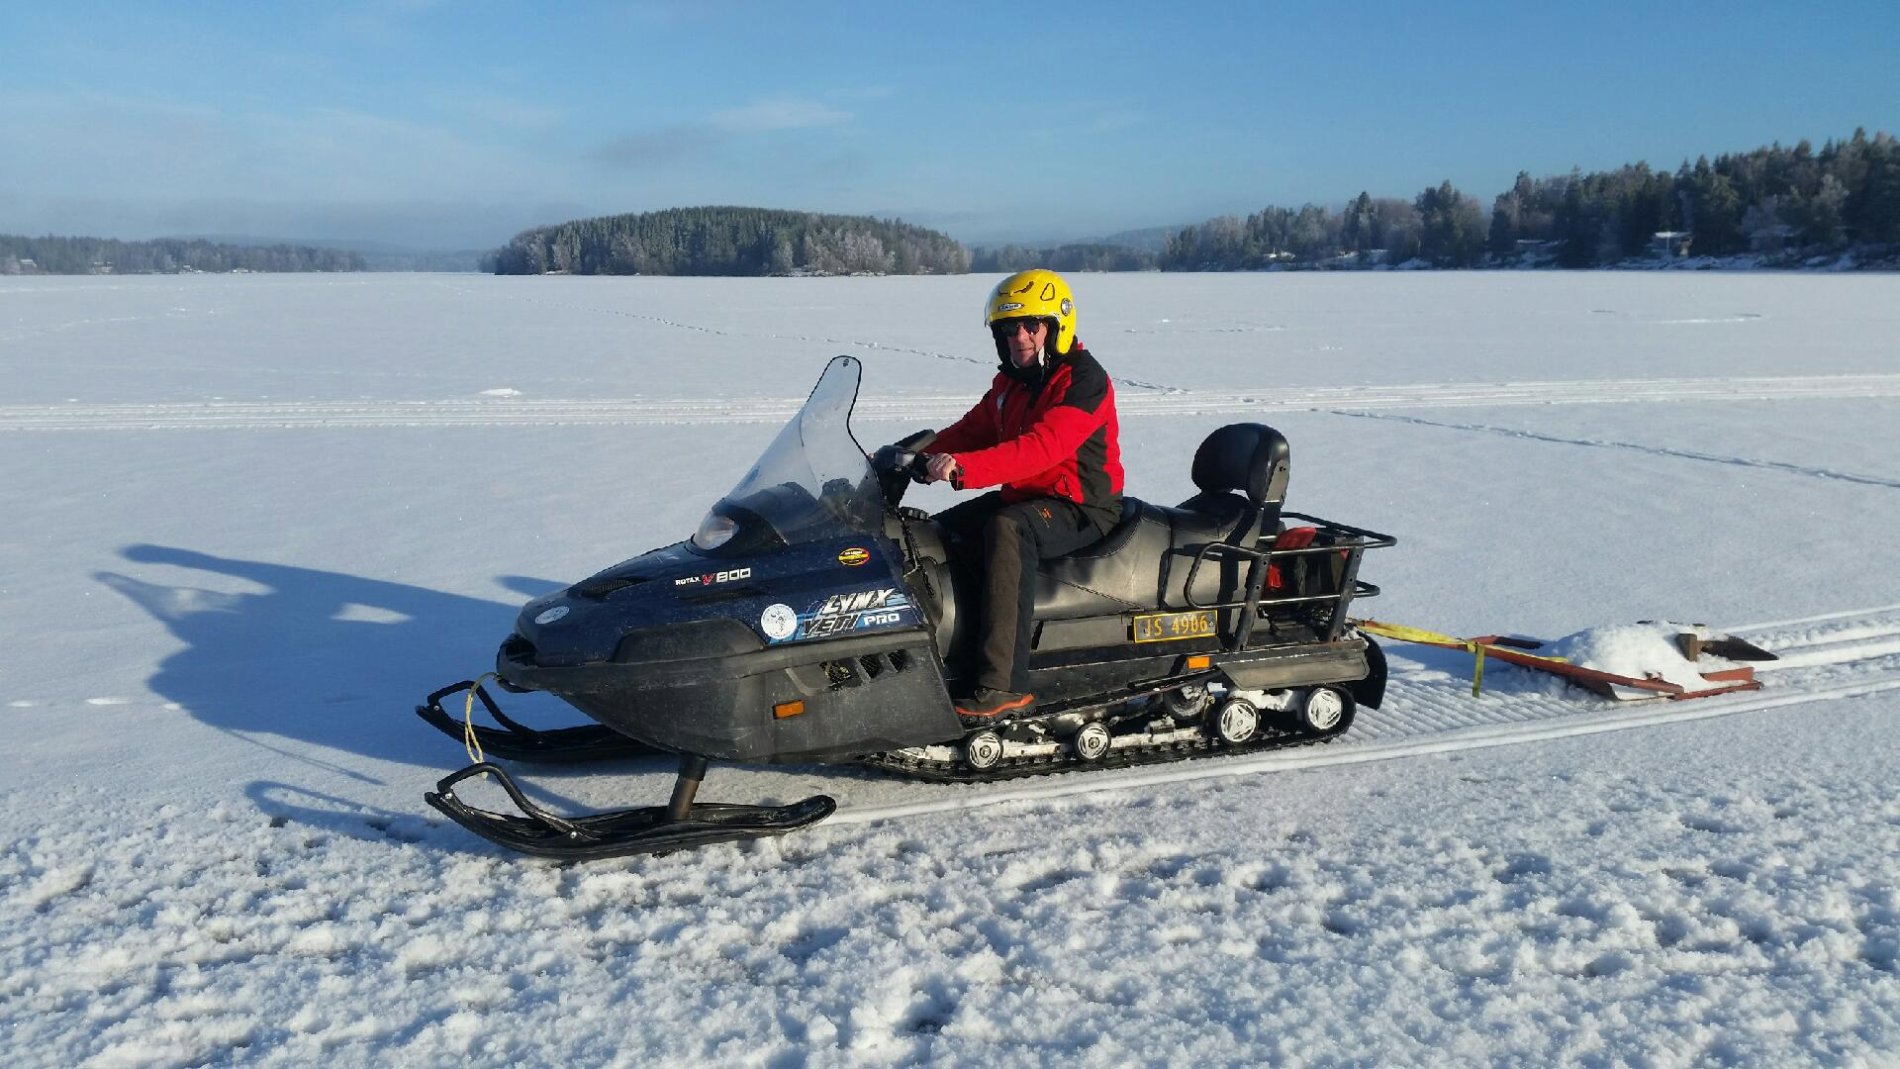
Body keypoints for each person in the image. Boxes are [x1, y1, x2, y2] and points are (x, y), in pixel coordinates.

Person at [918, 269, 1123, 724]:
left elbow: (1042, 449)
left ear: (1056, 326)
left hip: (1083, 506)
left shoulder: (1083, 380)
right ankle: (953, 649)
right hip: (1029, 496)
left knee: (1007, 529)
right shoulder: (1013, 381)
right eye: (1010, 328)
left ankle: (1003, 684)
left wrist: (964, 468)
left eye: (1032, 325)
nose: (1020, 337)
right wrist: (911, 456)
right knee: (940, 530)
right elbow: (972, 430)